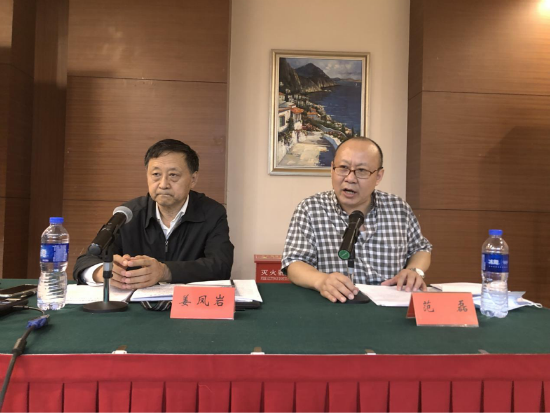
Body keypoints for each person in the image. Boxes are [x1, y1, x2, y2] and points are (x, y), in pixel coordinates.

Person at [281, 137, 432, 303]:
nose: (350, 178)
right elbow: (294, 263)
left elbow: (421, 249)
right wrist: (321, 281)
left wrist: (414, 271)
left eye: (361, 171)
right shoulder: (310, 209)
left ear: (378, 176)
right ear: (332, 169)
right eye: (343, 168)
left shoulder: (398, 209)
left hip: (390, 306)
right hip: (334, 305)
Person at [74, 139, 234, 289]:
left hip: (188, 304)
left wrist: (166, 271)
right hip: (136, 304)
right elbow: (86, 260)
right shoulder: (129, 214)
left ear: (193, 179)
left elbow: (221, 266)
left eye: (173, 175)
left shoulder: (211, 213)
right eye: (156, 174)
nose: (163, 184)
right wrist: (101, 272)